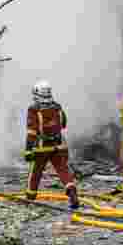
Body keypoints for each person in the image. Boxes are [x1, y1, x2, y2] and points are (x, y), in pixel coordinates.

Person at [24, 81, 79, 209]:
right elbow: (63, 123)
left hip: (42, 147)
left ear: (37, 94)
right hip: (58, 145)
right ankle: (72, 193)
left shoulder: (34, 109)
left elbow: (32, 131)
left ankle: (29, 200)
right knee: (63, 170)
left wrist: (28, 150)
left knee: (35, 173)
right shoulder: (57, 107)